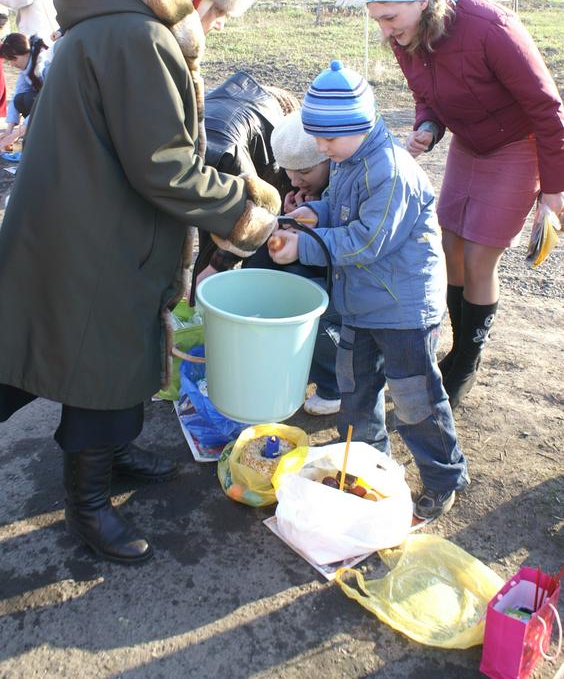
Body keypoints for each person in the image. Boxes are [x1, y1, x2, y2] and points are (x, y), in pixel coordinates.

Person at [0, 0, 279, 564]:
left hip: (82, 222)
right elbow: (165, 167)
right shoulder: (141, 38)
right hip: (98, 238)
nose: (213, 28)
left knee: (74, 354)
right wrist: (248, 209)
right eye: (219, 16)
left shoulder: (116, 19)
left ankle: (113, 455)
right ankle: (89, 507)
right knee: (97, 362)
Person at [269, 61, 468, 520]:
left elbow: (366, 241)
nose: (320, 147)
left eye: (327, 139)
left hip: (403, 310)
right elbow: (343, 211)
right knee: (356, 392)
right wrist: (316, 214)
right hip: (361, 304)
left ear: (358, 126)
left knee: (415, 399)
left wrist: (306, 244)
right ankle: (370, 467)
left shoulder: (391, 172)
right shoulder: (347, 160)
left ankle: (444, 476)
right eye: (316, 138)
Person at [365, 0, 564, 408]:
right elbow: (425, 93)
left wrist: (554, 191)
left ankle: (468, 361)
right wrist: (428, 126)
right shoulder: (404, 35)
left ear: (421, 1)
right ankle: (456, 348)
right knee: (449, 246)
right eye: (378, 20)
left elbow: (548, 109)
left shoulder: (491, 28)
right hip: (468, 144)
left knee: (478, 257)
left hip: (516, 144)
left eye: (390, 18)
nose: (385, 31)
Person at [189, 71, 299, 299]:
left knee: (218, 233)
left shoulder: (232, 98)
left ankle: (202, 299)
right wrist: (215, 268)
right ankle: (213, 299)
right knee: (250, 225)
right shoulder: (265, 136)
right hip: (224, 153)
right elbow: (256, 215)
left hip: (197, 148)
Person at [267, 111, 341, 415]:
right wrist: (302, 213)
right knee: (268, 270)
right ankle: (307, 358)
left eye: (305, 171)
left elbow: (350, 241)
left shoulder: (351, 179)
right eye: (288, 172)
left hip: (366, 284)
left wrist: (305, 235)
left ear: (329, 155)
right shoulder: (314, 184)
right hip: (336, 269)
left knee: (304, 304)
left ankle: (336, 385)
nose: (295, 181)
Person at [0, 33, 50, 150]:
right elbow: (17, 93)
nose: (12, 64)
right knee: (20, 99)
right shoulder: (27, 66)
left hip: (61, 107)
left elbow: (46, 103)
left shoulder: (45, 66)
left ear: (26, 53)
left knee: (29, 99)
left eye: (14, 59)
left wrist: (17, 134)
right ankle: (33, 131)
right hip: (46, 105)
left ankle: (41, 132)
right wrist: (9, 131)